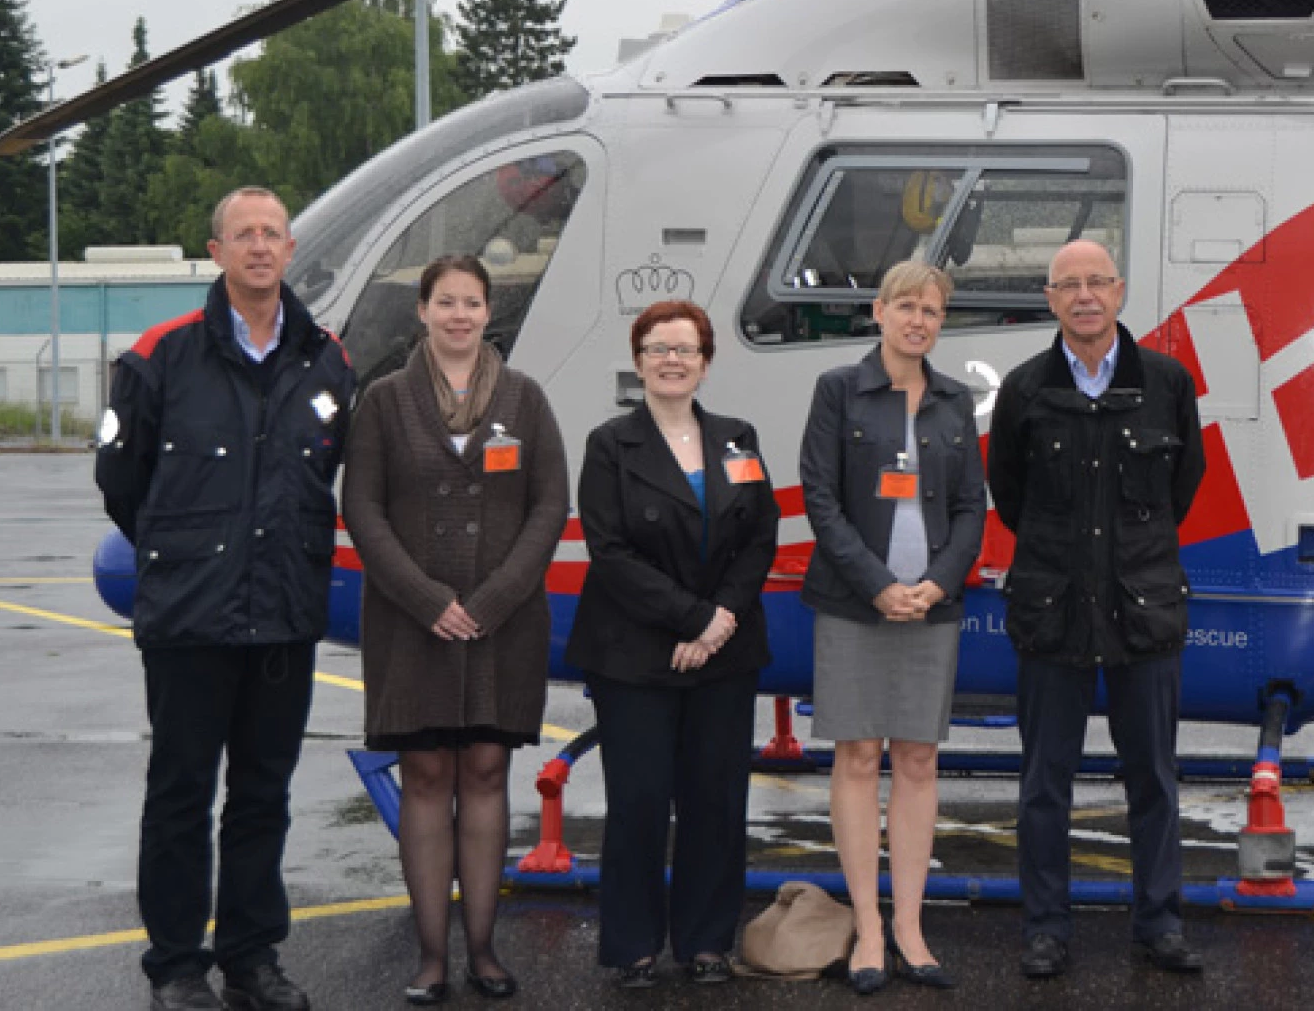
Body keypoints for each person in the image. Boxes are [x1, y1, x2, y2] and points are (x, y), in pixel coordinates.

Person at [96, 186, 357, 1011]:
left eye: (272, 232)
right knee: (180, 796)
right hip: (190, 618)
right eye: (243, 234)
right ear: (216, 252)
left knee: (263, 796)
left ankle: (252, 959)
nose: (259, 245)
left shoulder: (327, 358)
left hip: (282, 616)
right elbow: (122, 484)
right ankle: (176, 965)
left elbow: (325, 471)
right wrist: (190, 554)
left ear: (290, 250)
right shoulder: (160, 354)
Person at [341, 255, 570, 1005]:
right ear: (423, 311)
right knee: (426, 775)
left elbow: (550, 505)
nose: (459, 315)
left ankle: (484, 949)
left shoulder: (525, 399)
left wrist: (497, 596)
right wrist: (425, 597)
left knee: (486, 772)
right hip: (412, 625)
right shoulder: (384, 401)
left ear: (487, 312)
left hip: (504, 623)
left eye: (472, 303)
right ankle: (432, 956)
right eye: (446, 302)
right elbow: (362, 509)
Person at [985, 239, 1207, 980]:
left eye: (1097, 282)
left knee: (1154, 779)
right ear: (1050, 299)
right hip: (1053, 611)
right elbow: (1010, 497)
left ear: (1119, 292)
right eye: (1068, 284)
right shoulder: (1023, 389)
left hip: (1144, 611)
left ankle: (1160, 924)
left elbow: (1181, 487)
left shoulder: (1167, 383)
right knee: (1044, 784)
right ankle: (1046, 928)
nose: (1084, 296)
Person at [565, 301, 780, 990]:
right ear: (638, 361)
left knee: (716, 802)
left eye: (686, 349)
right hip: (635, 652)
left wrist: (718, 621)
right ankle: (632, 947)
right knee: (639, 801)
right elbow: (610, 551)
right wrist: (692, 620)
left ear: (706, 363)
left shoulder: (738, 438)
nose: (672, 360)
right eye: (658, 348)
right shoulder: (610, 444)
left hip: (725, 650)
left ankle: (706, 943)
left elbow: (760, 538)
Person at [798, 262, 986, 995]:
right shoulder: (837, 390)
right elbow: (820, 498)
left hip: (931, 607)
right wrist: (877, 585)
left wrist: (938, 583)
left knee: (916, 760)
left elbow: (970, 507)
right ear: (878, 312)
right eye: (906, 306)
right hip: (855, 605)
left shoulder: (954, 400)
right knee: (856, 757)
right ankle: (868, 928)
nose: (918, 320)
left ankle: (910, 927)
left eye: (931, 311)